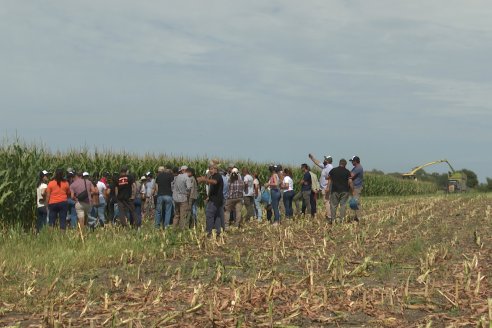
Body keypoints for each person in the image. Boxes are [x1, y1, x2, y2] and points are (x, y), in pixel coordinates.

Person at [197, 163, 224, 237]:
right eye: (209, 169)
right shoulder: (213, 176)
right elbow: (214, 188)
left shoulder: (217, 176)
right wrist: (208, 196)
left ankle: (209, 232)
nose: (210, 170)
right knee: (217, 216)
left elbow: (214, 182)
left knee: (209, 215)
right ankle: (218, 232)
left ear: (216, 169)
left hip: (215, 200)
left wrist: (204, 179)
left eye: (211, 169)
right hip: (216, 199)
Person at [327, 159, 352, 223]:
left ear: (339, 163)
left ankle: (333, 220)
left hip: (334, 190)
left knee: (333, 205)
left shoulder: (333, 170)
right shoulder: (347, 171)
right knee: (343, 205)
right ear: (345, 164)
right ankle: (342, 220)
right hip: (345, 191)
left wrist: (327, 187)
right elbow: (350, 181)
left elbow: (329, 179)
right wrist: (351, 189)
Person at [309, 154, 333, 219]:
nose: (324, 160)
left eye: (325, 159)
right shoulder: (325, 166)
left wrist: (327, 187)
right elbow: (318, 163)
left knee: (327, 201)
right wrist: (312, 158)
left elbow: (330, 178)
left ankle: (329, 216)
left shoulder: (329, 167)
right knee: (326, 201)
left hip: (326, 188)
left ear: (327, 161)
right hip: (323, 187)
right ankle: (329, 215)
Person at [349, 156, 364, 222]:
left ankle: (359, 218)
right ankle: (356, 217)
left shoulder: (358, 168)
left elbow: (350, 175)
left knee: (356, 203)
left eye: (352, 161)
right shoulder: (356, 168)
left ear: (355, 161)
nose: (351, 162)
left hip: (357, 187)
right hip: (354, 187)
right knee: (354, 203)